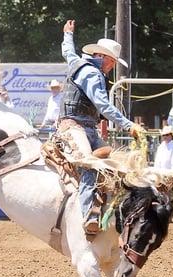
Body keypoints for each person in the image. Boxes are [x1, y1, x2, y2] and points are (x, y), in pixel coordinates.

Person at [59, 19, 143, 239]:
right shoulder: (93, 74)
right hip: (74, 126)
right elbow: (103, 105)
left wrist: (68, 35)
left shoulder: (77, 63)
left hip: (84, 127)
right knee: (92, 164)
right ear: (104, 58)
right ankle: (88, 216)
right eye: (113, 62)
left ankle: (104, 208)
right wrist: (128, 124)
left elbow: (68, 52)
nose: (113, 67)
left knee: (111, 162)